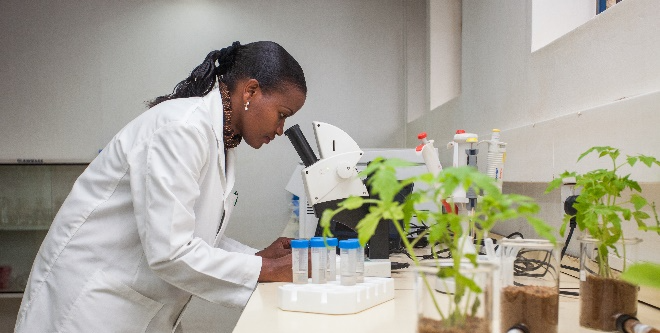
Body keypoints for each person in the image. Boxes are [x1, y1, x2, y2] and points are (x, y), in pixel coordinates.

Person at [14, 41, 307, 333]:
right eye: (282, 114)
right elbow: (171, 251)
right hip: (87, 308)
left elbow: (191, 234)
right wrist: (267, 270)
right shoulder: (181, 129)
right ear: (251, 91)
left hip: (129, 308)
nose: (281, 129)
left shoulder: (219, 140)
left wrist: (256, 258)